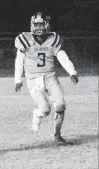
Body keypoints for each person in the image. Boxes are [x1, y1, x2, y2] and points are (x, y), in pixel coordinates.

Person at [14, 12, 79, 145]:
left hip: (50, 77)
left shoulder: (53, 39)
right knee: (45, 109)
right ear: (32, 25)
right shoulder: (24, 39)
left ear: (47, 25)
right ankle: (37, 114)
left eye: (41, 24)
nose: (39, 27)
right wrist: (18, 80)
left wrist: (72, 71)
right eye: (36, 24)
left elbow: (62, 56)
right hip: (33, 79)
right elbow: (19, 60)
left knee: (60, 105)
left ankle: (57, 135)